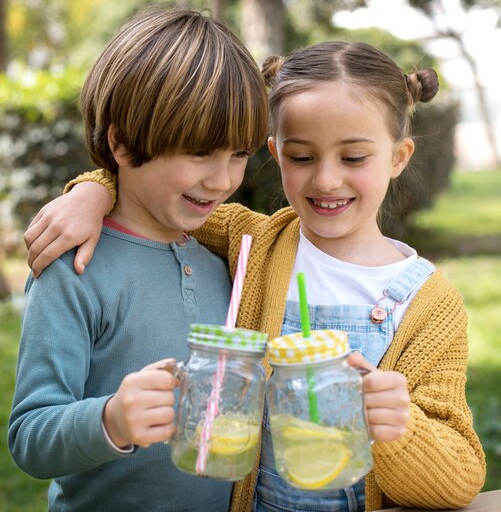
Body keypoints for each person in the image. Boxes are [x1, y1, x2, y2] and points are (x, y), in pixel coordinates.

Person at [23, 41, 486, 512]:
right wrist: (92, 193)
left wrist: (399, 429)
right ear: (276, 153)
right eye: (302, 157)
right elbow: (153, 191)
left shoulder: (430, 305)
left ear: (398, 157)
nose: (326, 180)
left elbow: (459, 481)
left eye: (353, 158)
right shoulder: (250, 241)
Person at [8, 4, 271, 512]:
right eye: (200, 152)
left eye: (238, 154)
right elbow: (30, 437)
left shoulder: (227, 263)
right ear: (124, 145)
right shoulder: (74, 270)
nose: (223, 180)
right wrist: (110, 420)